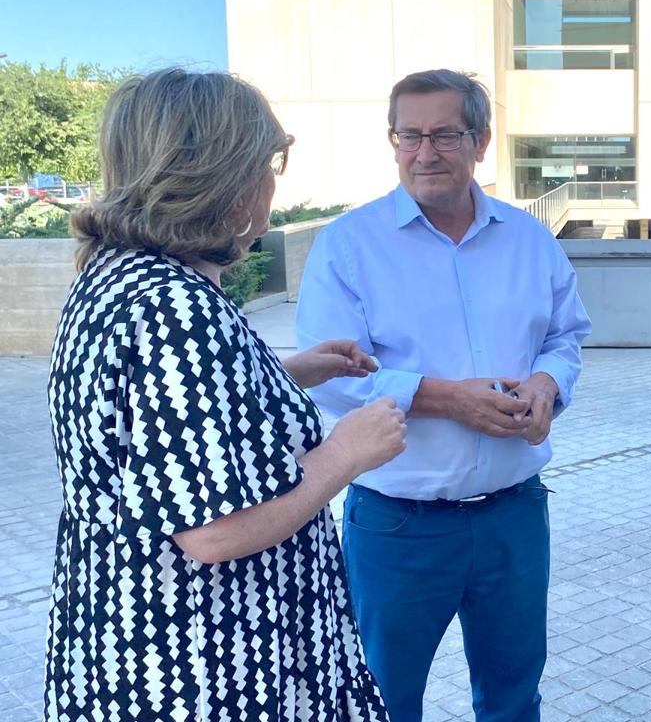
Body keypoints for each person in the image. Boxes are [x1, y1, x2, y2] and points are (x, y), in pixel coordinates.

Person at [44, 68, 407, 722]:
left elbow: (155, 428)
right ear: (224, 174)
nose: (273, 180)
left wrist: (284, 373)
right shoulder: (175, 308)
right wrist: (347, 454)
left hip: (128, 648)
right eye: (270, 161)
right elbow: (212, 533)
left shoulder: (118, 278)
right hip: (206, 670)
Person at [295, 68, 591, 721]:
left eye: (445, 135)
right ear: (393, 140)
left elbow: (567, 336)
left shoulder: (529, 239)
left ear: (481, 141)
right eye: (409, 135)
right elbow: (333, 375)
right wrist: (445, 398)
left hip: (514, 516)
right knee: (383, 702)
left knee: (514, 698)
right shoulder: (348, 246)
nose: (424, 153)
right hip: (399, 523)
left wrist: (547, 384)